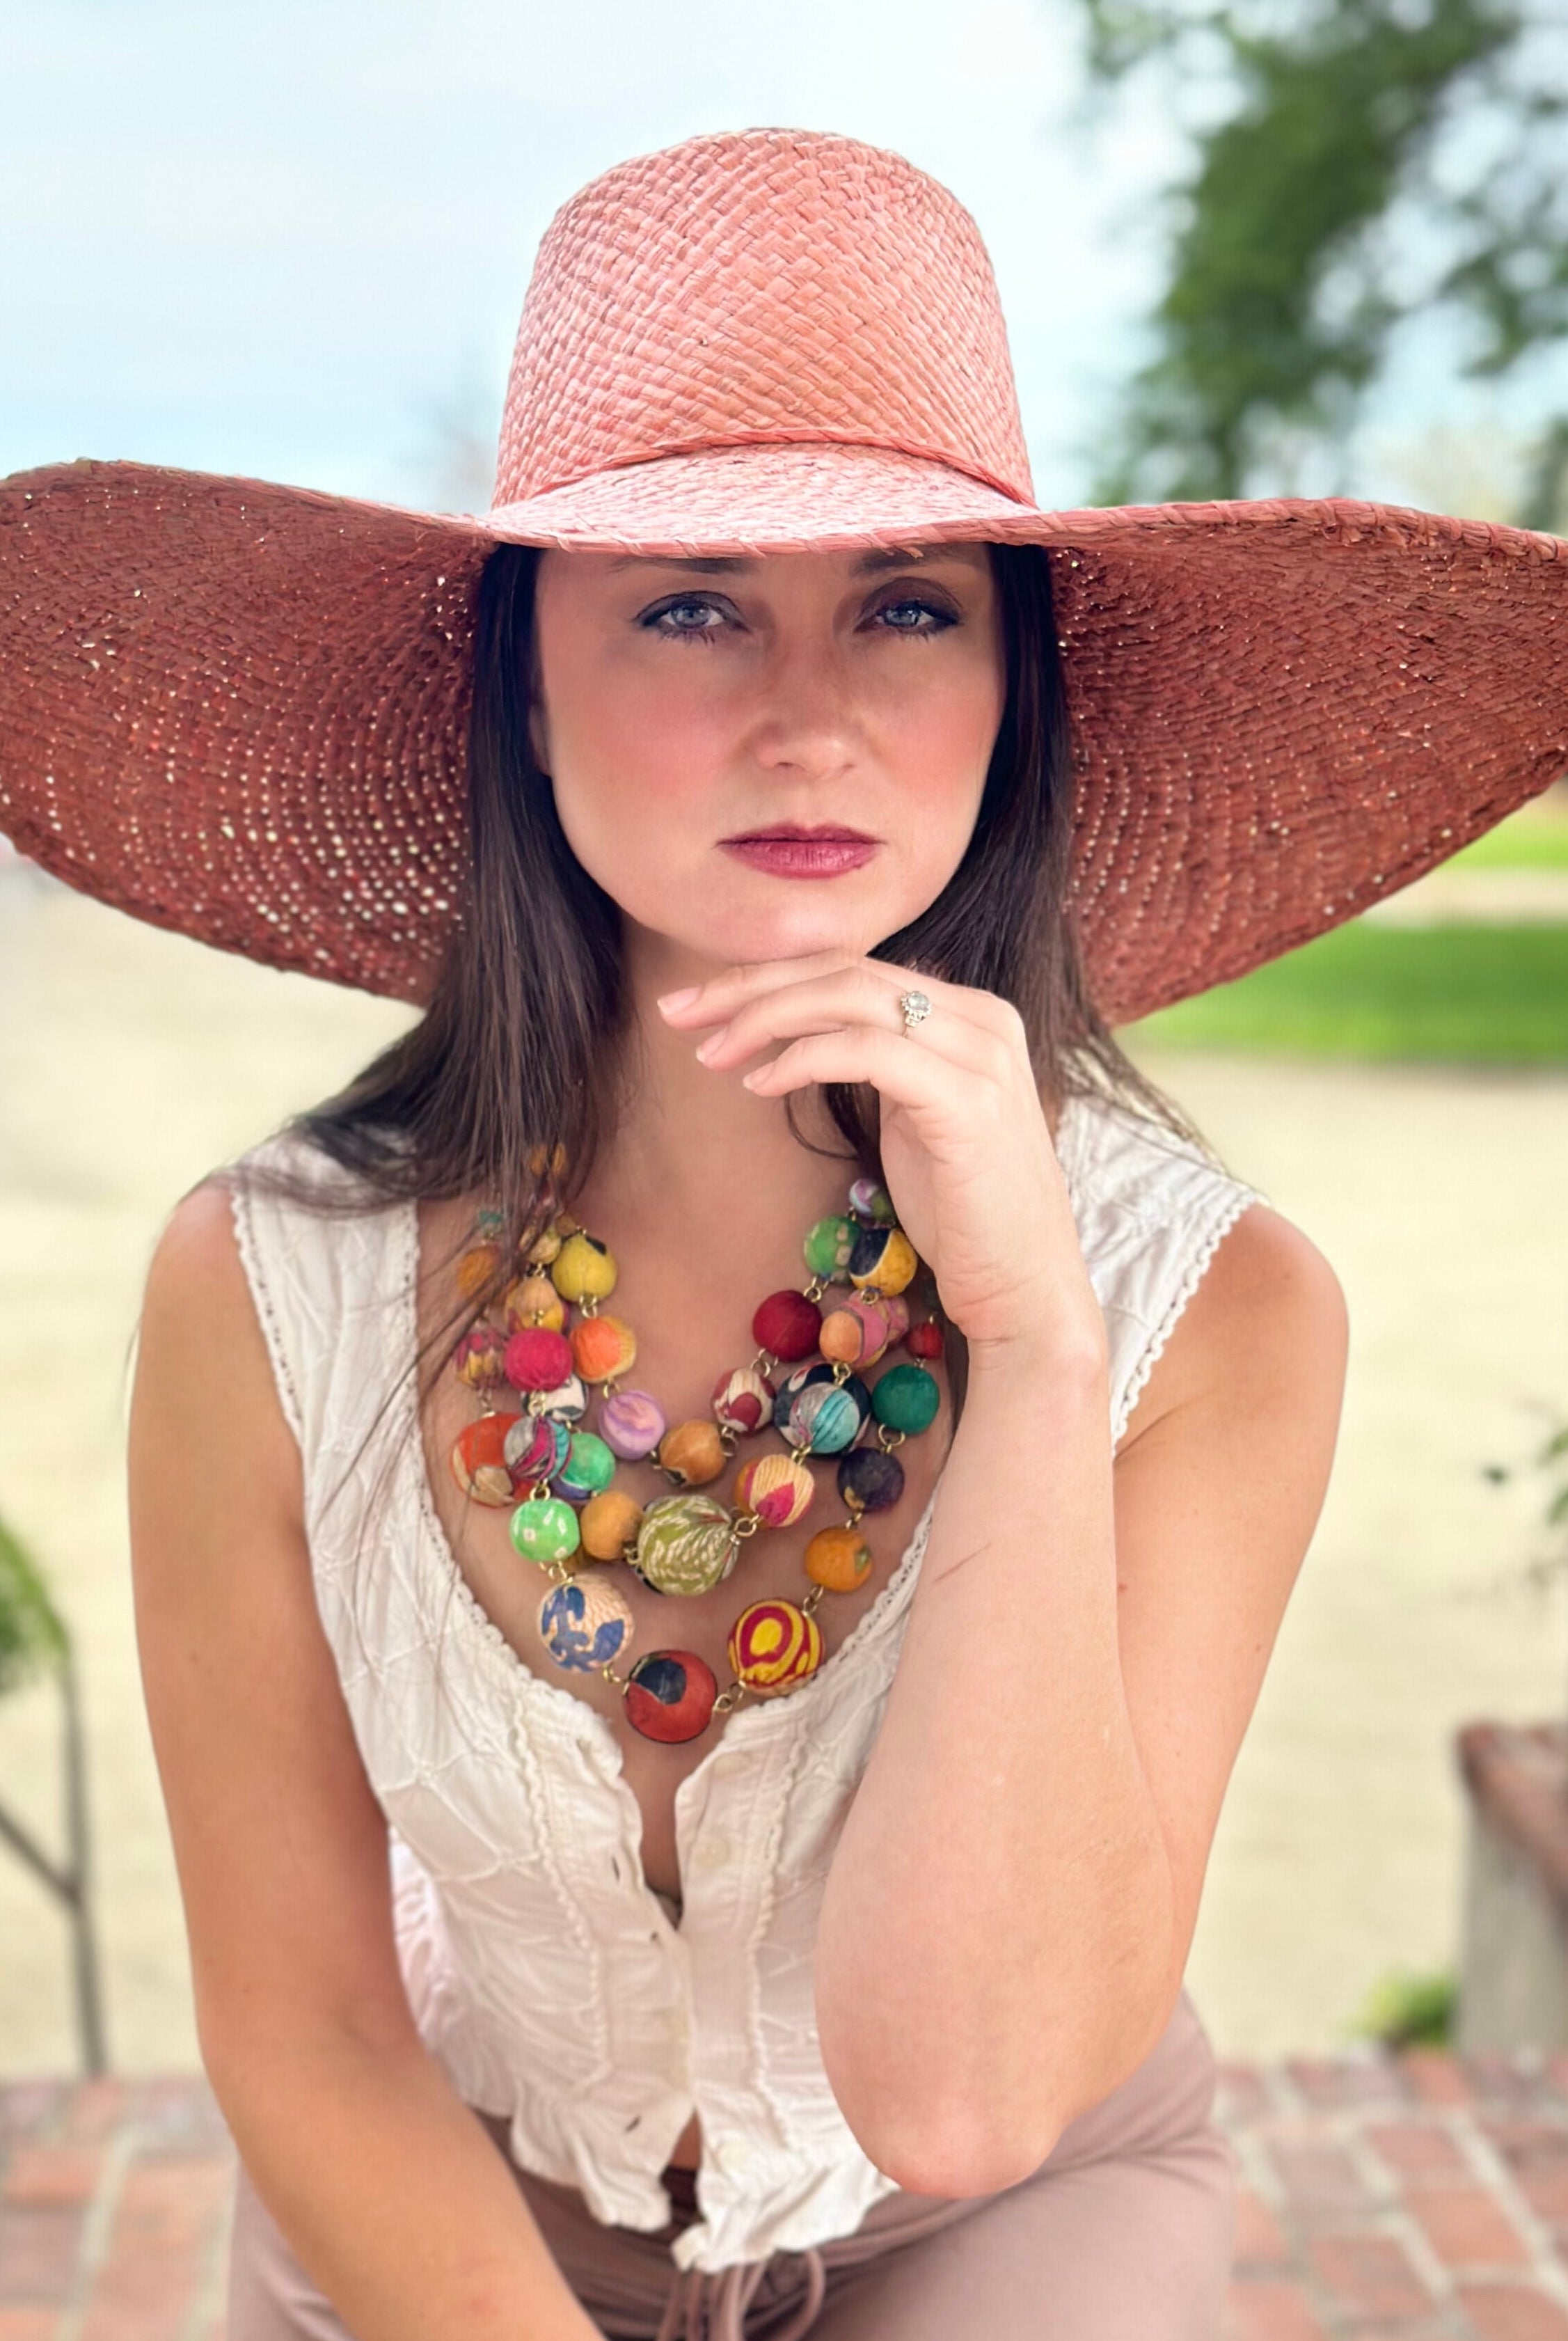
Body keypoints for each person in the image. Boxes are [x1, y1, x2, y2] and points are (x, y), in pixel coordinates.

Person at [1, 125, 1563, 2341]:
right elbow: (309, 2041)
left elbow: (971, 2092)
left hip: (1010, 2221)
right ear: (522, 693)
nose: (811, 710)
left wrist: (1024, 1337)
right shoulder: (264, 1288)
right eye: (691, 602)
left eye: (911, 604)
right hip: (445, 2212)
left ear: (1012, 694)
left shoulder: (1218, 1308)